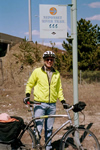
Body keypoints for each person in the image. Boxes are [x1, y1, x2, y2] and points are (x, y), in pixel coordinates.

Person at [23, 51, 68, 150]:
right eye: (47, 59)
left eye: (51, 59)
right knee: (38, 129)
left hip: (52, 105)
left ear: (53, 61)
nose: (49, 61)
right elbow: (30, 84)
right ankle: (35, 147)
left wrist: (63, 101)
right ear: (44, 60)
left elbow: (59, 89)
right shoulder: (37, 72)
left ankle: (48, 147)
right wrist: (27, 95)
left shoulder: (56, 74)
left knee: (49, 129)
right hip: (39, 104)